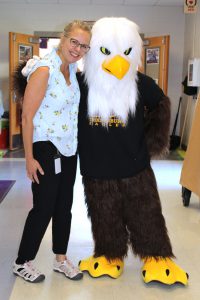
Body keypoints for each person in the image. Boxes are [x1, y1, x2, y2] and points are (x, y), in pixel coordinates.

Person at [77, 17, 188, 285]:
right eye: (106, 52)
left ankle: (156, 257)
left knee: (145, 212)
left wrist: (152, 143)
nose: (118, 63)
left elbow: (161, 105)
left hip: (134, 167)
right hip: (96, 168)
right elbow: (50, 94)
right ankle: (109, 256)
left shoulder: (140, 83)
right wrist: (32, 72)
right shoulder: (81, 83)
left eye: (126, 53)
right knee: (104, 215)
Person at [12, 20, 91, 283]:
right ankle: (22, 262)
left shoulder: (72, 71)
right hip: (45, 147)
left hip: (68, 148)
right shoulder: (45, 70)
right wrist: (29, 159)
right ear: (64, 38)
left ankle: (60, 258)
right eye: (75, 42)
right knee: (43, 207)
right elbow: (26, 117)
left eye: (84, 46)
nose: (78, 49)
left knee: (64, 206)